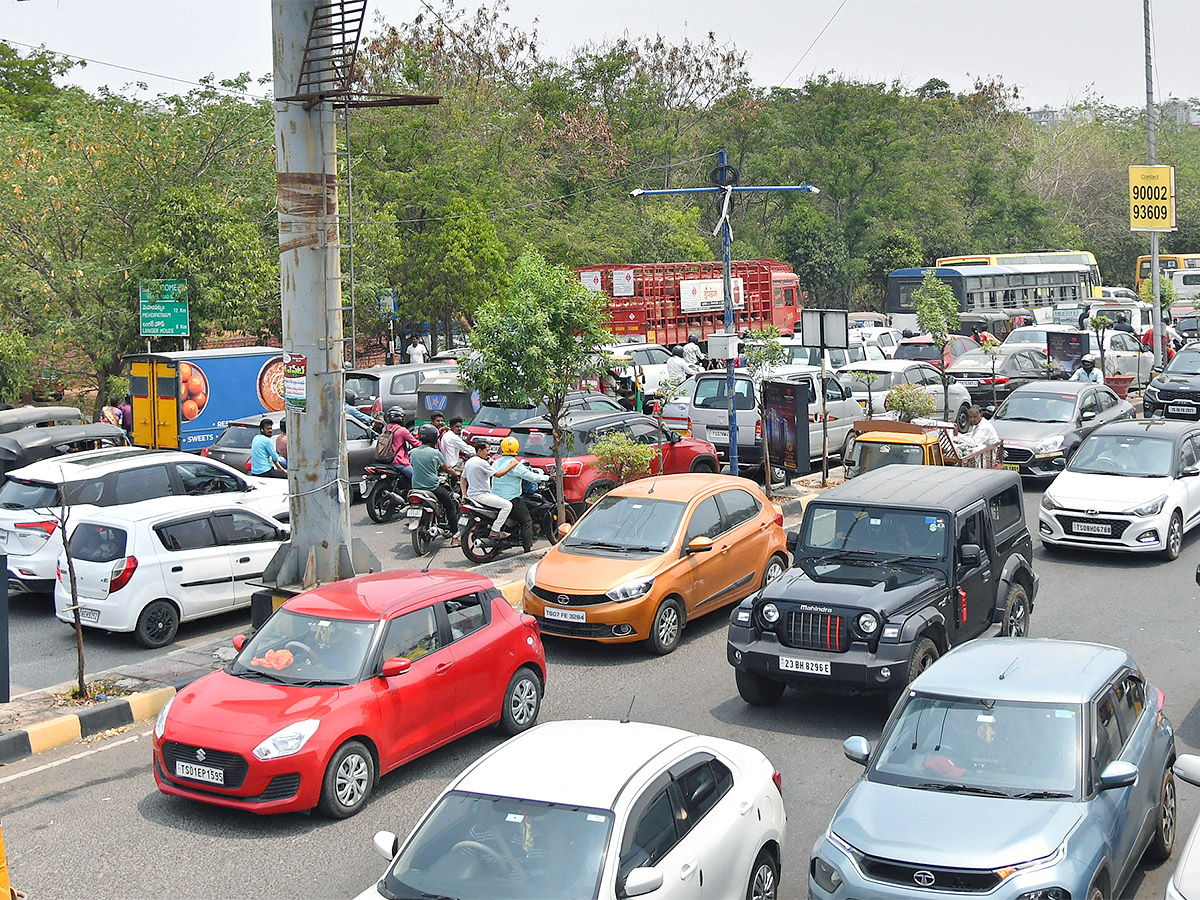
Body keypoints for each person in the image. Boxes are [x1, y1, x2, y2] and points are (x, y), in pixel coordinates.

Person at [491, 436, 551, 552]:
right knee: (527, 521)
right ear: (516, 449)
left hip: (495, 497)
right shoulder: (515, 464)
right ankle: (527, 549)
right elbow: (531, 476)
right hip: (510, 498)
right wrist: (547, 477)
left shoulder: (496, 462)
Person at [410, 423, 461, 546]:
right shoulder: (435, 453)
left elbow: (413, 465)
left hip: (415, 487)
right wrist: (456, 474)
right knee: (450, 506)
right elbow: (447, 468)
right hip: (432, 486)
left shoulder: (413, 452)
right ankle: (455, 537)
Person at [461, 439, 511, 539]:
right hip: (481, 495)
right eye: (487, 450)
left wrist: (464, 494)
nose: (488, 453)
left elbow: (463, 478)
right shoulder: (482, 463)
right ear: (480, 450)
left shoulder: (469, 461)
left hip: (471, 495)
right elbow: (498, 474)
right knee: (507, 505)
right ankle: (495, 531)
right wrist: (512, 465)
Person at [383, 406, 419, 480]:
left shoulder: (385, 428)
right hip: (399, 462)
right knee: (417, 479)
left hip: (386, 461)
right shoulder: (402, 430)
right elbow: (416, 444)